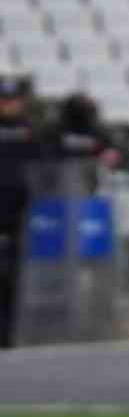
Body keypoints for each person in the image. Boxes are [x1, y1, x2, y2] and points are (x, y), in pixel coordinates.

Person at [0, 75, 42, 349]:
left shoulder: (29, 130)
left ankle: (8, 336)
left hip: (19, 211)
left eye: (12, 100)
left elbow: (46, 162)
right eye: (4, 101)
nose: (8, 105)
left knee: (11, 275)